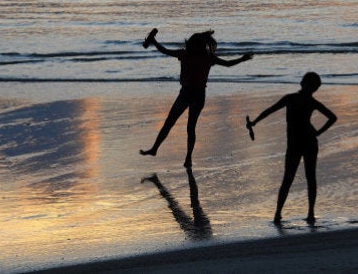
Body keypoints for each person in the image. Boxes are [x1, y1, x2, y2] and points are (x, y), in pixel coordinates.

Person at [140, 28, 253, 169]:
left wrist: (242, 59)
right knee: (175, 123)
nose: (195, 47)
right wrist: (154, 41)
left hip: (194, 95)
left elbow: (228, 64)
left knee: (186, 126)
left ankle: (187, 158)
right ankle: (155, 149)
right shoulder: (192, 55)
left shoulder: (200, 56)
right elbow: (165, 50)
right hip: (189, 94)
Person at [247, 72, 336, 224]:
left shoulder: (292, 98)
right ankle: (304, 214)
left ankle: (282, 214)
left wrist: (255, 122)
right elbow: (332, 117)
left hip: (299, 143)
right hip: (307, 142)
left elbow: (269, 111)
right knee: (305, 178)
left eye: (306, 81)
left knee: (292, 178)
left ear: (306, 84)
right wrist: (318, 132)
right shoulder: (308, 101)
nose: (303, 83)